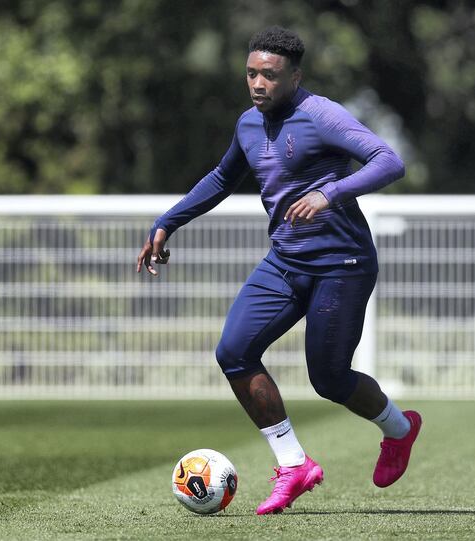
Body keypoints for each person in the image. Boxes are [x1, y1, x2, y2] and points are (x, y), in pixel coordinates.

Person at [137, 26, 422, 515]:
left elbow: (389, 160)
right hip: (286, 261)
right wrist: (168, 222)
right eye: (251, 73)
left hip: (342, 264)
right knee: (234, 351)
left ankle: (399, 429)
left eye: (269, 75)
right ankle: (294, 464)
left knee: (329, 379)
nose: (257, 84)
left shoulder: (321, 115)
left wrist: (329, 193)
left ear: (295, 76)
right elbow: (224, 178)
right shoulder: (248, 123)